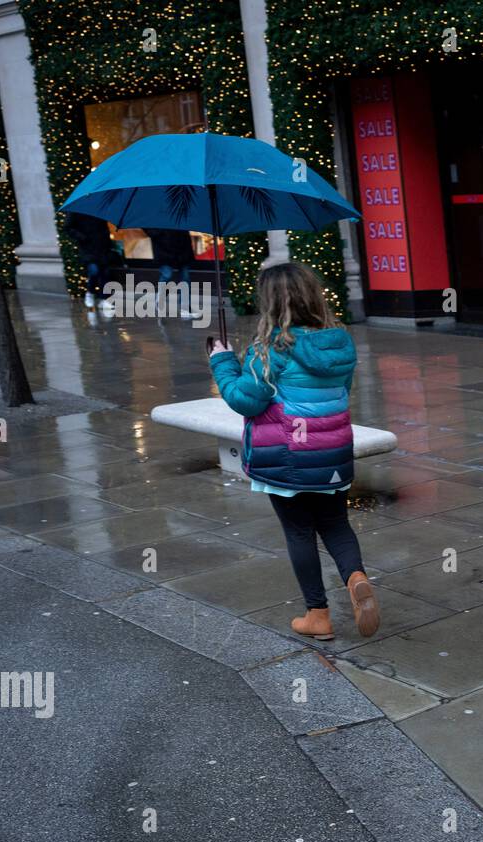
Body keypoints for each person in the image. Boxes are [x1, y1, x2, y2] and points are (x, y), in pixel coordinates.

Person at [208, 262, 378, 642]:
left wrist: (222, 360)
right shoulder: (339, 342)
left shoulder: (270, 350)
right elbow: (339, 390)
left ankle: (318, 615)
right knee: (335, 523)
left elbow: (244, 400)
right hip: (331, 451)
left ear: (269, 304)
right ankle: (356, 577)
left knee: (299, 531)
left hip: (286, 456)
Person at [64, 212, 116, 316]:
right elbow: (68, 228)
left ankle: (105, 298)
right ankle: (90, 292)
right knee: (94, 270)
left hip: (102, 245)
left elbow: (103, 225)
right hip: (87, 247)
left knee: (105, 272)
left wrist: (108, 242)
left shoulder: (98, 209)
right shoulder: (76, 210)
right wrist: (82, 237)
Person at [144, 227, 202, 319]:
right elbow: (147, 226)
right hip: (163, 247)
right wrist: (157, 232)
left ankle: (185, 308)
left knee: (185, 277)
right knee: (167, 274)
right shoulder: (155, 214)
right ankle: (161, 297)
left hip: (182, 246)